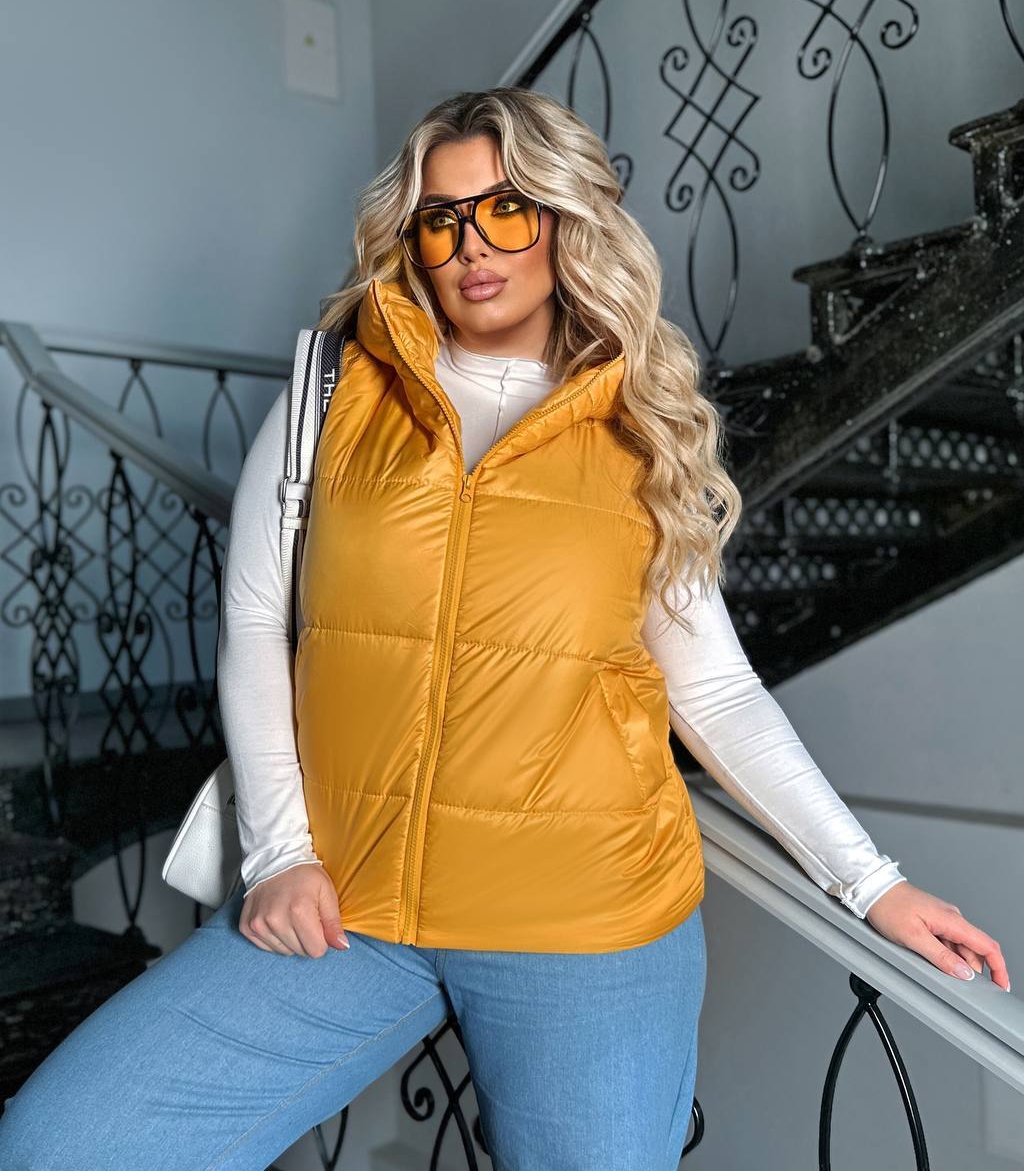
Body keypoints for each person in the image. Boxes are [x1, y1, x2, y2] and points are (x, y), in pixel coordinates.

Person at [0, 87, 1009, 1171]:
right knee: (65, 1142)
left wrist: (870, 882)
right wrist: (282, 851)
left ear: (566, 221)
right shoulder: (333, 391)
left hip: (582, 919)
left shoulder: (641, 426)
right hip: (349, 901)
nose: (473, 245)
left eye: (507, 209)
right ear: (414, 240)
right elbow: (256, 621)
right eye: (442, 219)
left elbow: (716, 692)